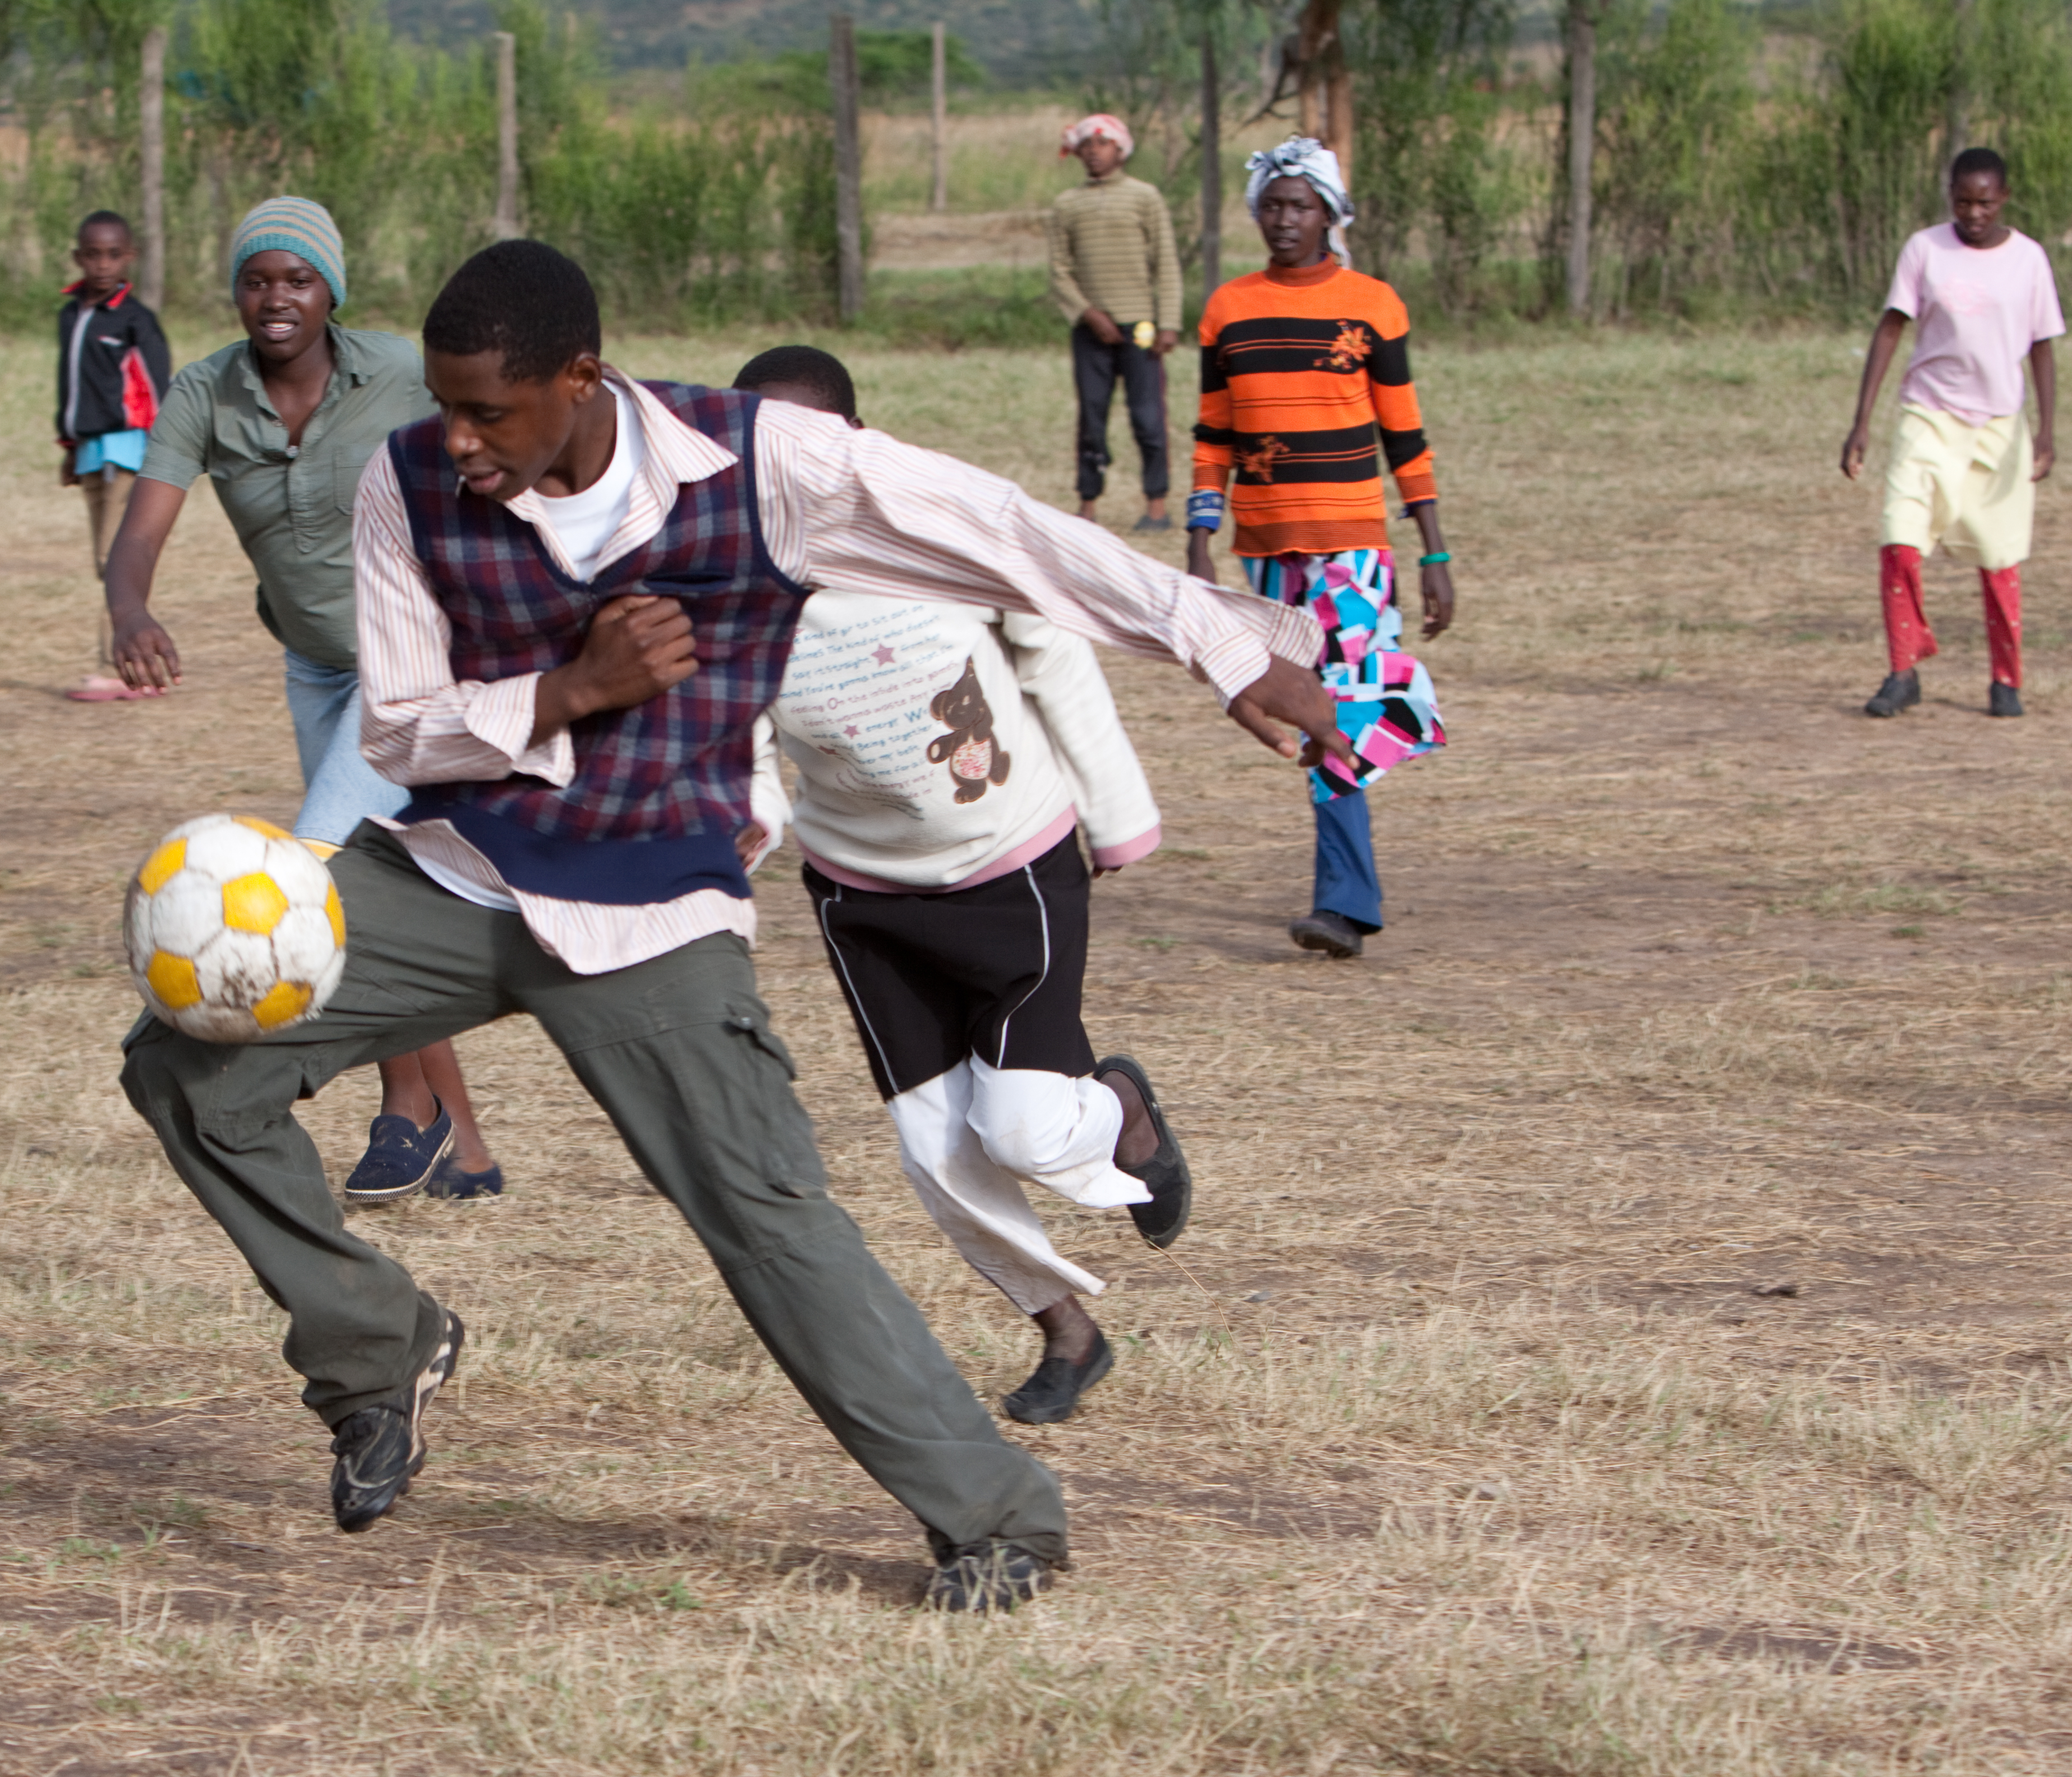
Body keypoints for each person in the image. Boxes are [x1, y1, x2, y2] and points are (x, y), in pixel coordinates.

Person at [116, 240, 1357, 1612]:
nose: (454, 437)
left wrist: (1232, 649)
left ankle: (998, 1516)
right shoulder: (405, 481)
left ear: (581, 378)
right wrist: (565, 690)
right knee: (185, 1065)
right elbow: (403, 724)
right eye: (446, 407)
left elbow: (1006, 534)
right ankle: (372, 1344)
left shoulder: (767, 464)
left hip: (649, 902)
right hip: (456, 871)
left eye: (488, 412)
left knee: (768, 1223)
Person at [732, 344, 1259, 1428]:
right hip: (861, 897)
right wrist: (748, 819)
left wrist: (1118, 816)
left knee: (1017, 1129)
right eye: (754, 447)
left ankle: (1119, 1109)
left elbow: (1054, 652)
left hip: (1009, 863)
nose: (777, 469)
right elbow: (731, 721)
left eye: (803, 446)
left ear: (855, 448)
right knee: (934, 1148)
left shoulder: (935, 529)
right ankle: (1066, 1328)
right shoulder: (734, 577)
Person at [106, 198, 500, 1200]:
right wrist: (129, 608)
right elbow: (142, 528)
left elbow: (505, 435)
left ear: (331, 290)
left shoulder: (402, 376)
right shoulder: (204, 392)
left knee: (319, 876)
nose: (275, 298)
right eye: (256, 279)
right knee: (388, 883)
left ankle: (400, 1111)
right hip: (315, 665)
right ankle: (468, 1149)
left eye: (297, 279)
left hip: (409, 663)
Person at [1189, 138, 1456, 961]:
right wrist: (1200, 541)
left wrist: (1435, 551)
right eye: (1272, 204)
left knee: (1331, 708)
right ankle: (1352, 874)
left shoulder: (1374, 305)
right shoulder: (1227, 310)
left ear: (1331, 214)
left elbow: (1405, 435)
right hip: (1264, 552)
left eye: (1301, 205)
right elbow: (1211, 438)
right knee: (1304, 706)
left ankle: (1344, 903)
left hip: (1350, 546)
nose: (1284, 220)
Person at [1841, 146, 2060, 720]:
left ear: (2004, 198)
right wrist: (1862, 421)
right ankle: (1902, 670)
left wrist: (2047, 431)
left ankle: (2005, 681)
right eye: (1963, 201)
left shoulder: (2029, 260)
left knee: (1998, 557)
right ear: (1950, 198)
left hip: (1999, 425)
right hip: (1928, 415)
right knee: (1900, 539)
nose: (1974, 213)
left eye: (1985, 202)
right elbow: (1892, 327)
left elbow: (2042, 347)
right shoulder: (1924, 249)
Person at [55, 211, 173, 705]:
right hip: (88, 452)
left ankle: (126, 668)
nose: (102, 265)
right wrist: (68, 447)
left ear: (129, 258)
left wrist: (166, 454)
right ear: (78, 257)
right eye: (92, 255)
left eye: (112, 255)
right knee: (101, 562)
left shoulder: (135, 320)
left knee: (116, 557)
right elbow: (72, 387)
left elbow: (161, 390)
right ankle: (139, 660)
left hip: (128, 451)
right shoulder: (71, 313)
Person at [1047, 114, 1184, 529]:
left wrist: (1168, 322)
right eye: (1087, 144)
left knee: (1147, 415)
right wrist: (1088, 313)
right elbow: (1058, 271)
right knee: (1092, 417)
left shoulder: (1145, 197)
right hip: (1091, 331)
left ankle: (1156, 504)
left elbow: (1166, 262)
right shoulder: (1066, 204)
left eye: (1103, 144)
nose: (1094, 151)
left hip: (1139, 326)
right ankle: (1088, 505)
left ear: (1120, 150)